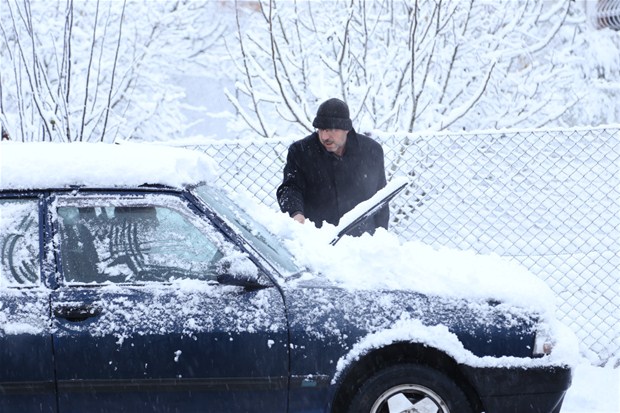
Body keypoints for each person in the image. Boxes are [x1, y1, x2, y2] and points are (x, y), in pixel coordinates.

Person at [276, 98, 388, 236]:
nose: (324, 137)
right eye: (321, 129)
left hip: (361, 242)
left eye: (331, 130)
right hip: (319, 238)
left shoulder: (371, 151)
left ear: (346, 129)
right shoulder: (301, 152)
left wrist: (382, 236)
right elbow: (290, 188)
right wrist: (296, 213)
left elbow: (381, 198)